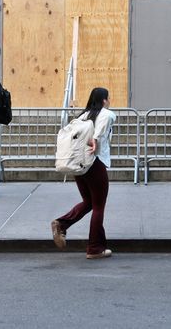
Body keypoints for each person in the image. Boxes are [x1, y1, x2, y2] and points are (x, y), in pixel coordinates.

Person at [51, 87, 116, 260]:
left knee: (89, 202)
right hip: (95, 162)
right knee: (99, 206)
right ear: (104, 100)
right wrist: (95, 140)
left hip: (79, 166)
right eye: (108, 98)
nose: (109, 101)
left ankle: (62, 224)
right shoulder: (106, 114)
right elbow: (102, 128)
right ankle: (94, 248)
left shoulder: (81, 116)